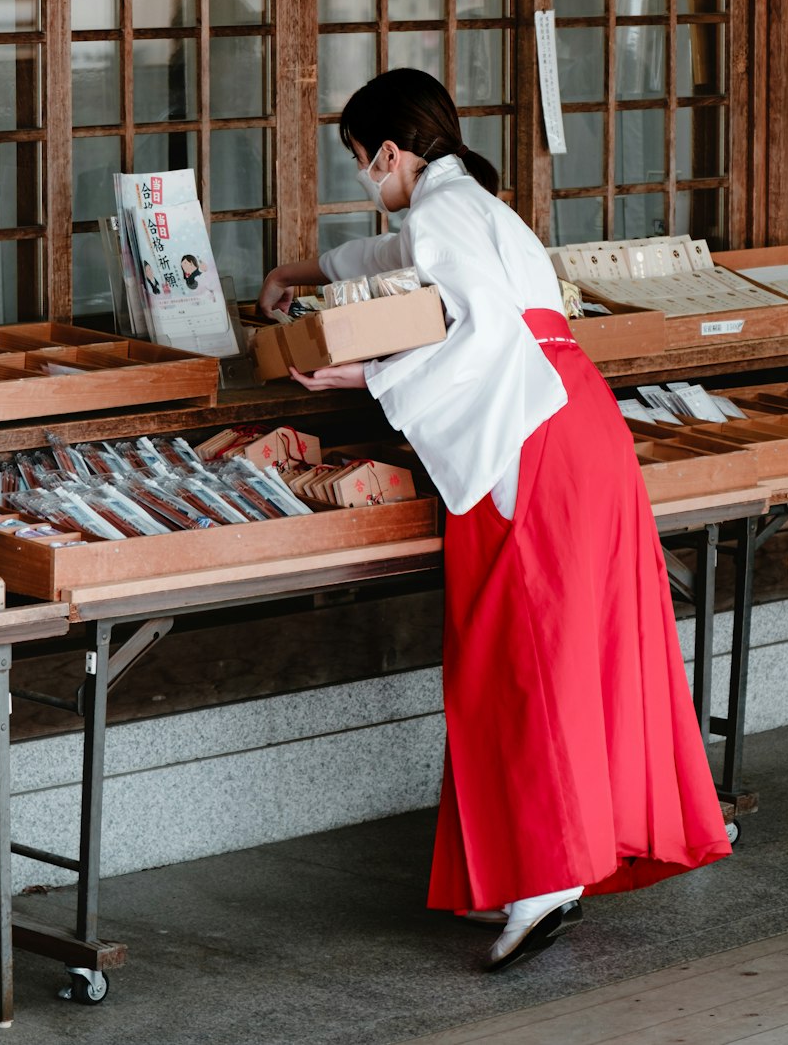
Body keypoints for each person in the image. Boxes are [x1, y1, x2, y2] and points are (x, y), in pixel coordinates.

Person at [258, 68, 731, 972]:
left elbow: (475, 333)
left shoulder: (439, 214)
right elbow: (395, 264)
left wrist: (360, 375)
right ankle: (545, 865)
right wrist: (300, 271)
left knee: (519, 654)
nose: (367, 178)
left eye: (362, 162)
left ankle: (546, 874)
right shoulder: (473, 204)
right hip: (578, 416)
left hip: (529, 437)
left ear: (389, 152)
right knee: (575, 648)